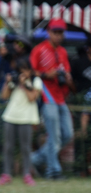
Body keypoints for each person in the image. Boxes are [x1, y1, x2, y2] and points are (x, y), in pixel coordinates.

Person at [30, 19, 74, 181]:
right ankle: (53, 171)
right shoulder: (39, 50)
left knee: (67, 134)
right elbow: (30, 72)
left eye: (60, 33)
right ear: (48, 32)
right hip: (46, 96)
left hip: (61, 97)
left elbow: (66, 71)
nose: (58, 36)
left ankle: (34, 159)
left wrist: (67, 78)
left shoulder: (63, 51)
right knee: (54, 136)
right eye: (55, 32)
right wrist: (46, 74)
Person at [0, 58, 41, 186]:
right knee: (8, 147)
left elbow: (32, 98)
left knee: (26, 148)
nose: (22, 74)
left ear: (30, 70)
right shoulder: (15, 80)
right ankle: (6, 174)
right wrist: (8, 83)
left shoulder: (35, 81)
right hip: (10, 116)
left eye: (25, 70)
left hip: (26, 118)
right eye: (20, 71)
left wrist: (25, 84)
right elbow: (4, 96)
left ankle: (27, 174)